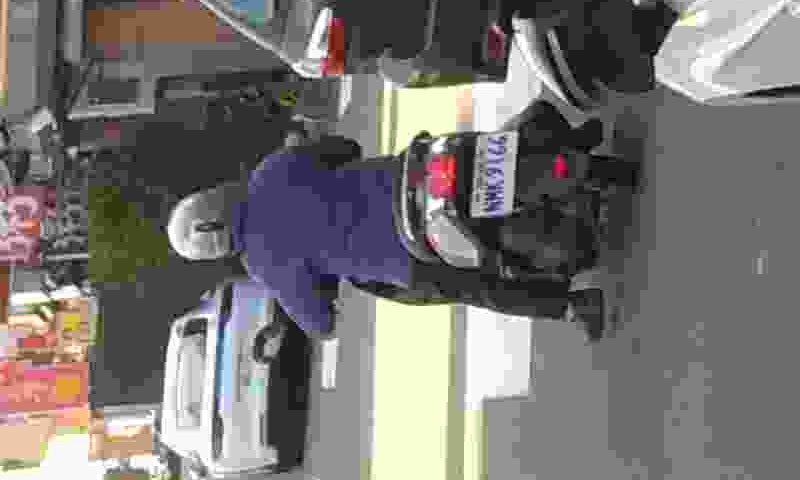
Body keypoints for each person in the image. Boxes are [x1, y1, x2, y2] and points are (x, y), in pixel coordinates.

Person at [166, 134, 592, 333]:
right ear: (214, 197)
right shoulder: (270, 170)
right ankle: (564, 143)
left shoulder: (265, 265)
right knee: (472, 150)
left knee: (479, 289)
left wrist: (324, 300)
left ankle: (571, 306)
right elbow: (346, 147)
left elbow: (318, 320)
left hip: (405, 253)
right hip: (407, 174)